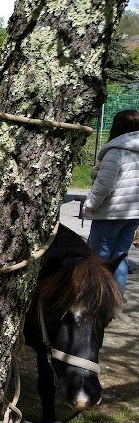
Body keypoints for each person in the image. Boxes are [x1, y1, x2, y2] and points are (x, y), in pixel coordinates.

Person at [82, 109, 139, 295]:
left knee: (98, 259)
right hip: (133, 214)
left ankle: (95, 299)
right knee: (121, 256)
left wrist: (89, 204)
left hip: (110, 213)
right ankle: (115, 299)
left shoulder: (115, 151)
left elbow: (105, 186)